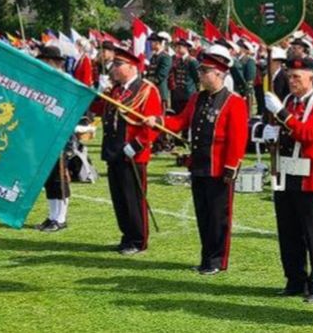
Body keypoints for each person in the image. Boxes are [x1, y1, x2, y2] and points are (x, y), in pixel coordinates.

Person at [149, 44, 248, 274]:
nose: (201, 75)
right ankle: (206, 258)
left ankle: (217, 261)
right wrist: (159, 121)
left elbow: (237, 139)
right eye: (201, 71)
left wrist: (231, 167)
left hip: (219, 169)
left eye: (205, 71)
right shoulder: (197, 98)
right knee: (203, 215)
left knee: (218, 217)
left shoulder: (234, 102)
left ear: (219, 74)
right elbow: (181, 121)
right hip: (199, 166)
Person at [261, 55, 313, 304]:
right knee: (288, 231)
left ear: (310, 77)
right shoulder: (289, 101)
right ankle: (294, 279)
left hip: (309, 177)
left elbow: (310, 134)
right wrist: (269, 133)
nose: (291, 81)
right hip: (286, 172)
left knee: (311, 233)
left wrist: (282, 114)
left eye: (297, 76)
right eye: (289, 76)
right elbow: (285, 134)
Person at [90, 45, 163, 255]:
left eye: (118, 65)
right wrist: (97, 91)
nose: (113, 68)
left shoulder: (146, 89)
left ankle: (138, 239)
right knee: (119, 198)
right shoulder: (115, 90)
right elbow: (98, 109)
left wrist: (136, 145)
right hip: (113, 149)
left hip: (132, 153)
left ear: (131, 67)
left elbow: (154, 125)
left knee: (133, 199)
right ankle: (126, 235)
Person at [35, 45, 94, 231]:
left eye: (44, 60)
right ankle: (52, 215)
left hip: (61, 137)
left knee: (60, 179)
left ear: (53, 62)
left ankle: (60, 218)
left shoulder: (66, 83)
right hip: (45, 135)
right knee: (49, 180)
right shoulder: (46, 81)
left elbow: (76, 111)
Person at [169, 38, 200, 117]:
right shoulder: (177, 61)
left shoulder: (192, 61)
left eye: (179, 47)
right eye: (176, 47)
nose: (177, 49)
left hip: (188, 95)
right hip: (177, 94)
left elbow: (197, 79)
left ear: (186, 48)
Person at [146, 32, 173, 111]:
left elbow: (161, 75)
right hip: (150, 89)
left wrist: (149, 83)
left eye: (152, 42)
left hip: (159, 90)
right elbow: (149, 73)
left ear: (157, 43)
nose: (151, 44)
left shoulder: (165, 57)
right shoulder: (154, 57)